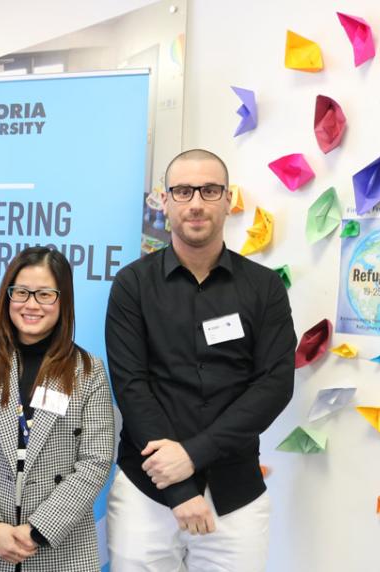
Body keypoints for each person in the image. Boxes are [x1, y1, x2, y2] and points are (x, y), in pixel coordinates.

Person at [105, 149, 296, 571]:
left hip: (236, 495)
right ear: (165, 200)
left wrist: (192, 456)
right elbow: (132, 387)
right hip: (147, 492)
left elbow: (275, 385)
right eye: (183, 190)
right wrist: (179, 488)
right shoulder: (132, 286)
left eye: (209, 190)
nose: (195, 203)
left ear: (228, 200)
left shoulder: (264, 288)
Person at [0, 247, 115, 572]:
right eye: (21, 292)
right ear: (7, 296)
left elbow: (96, 460)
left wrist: (38, 531)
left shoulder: (89, 370)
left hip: (58, 548)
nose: (31, 304)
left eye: (45, 294)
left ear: (63, 300)